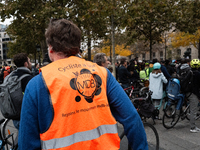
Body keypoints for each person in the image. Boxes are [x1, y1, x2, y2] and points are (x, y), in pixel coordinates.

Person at [18, 19, 148, 150]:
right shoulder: (103, 74)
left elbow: (27, 142)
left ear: (50, 49)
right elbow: (132, 118)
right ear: (77, 47)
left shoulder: (38, 83)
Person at [12, 53, 33, 129]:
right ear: (26, 64)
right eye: (30, 61)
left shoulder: (12, 76)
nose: (31, 63)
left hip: (15, 115)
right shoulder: (28, 78)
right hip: (25, 116)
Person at [181, 59, 200, 133]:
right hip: (193, 93)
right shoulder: (198, 74)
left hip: (186, 91)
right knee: (193, 110)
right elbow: (197, 87)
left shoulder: (189, 72)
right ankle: (193, 127)